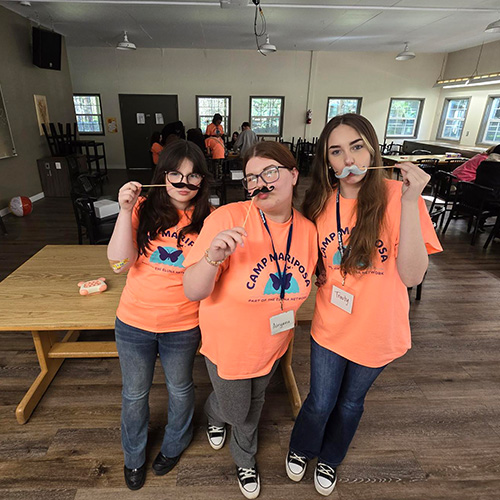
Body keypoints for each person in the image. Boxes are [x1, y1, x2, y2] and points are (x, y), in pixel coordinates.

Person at [285, 114, 442, 496]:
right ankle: (302, 447)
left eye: (356, 146)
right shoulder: (319, 201)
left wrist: (409, 201)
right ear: (327, 161)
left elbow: (412, 276)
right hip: (330, 325)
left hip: (378, 330)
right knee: (321, 400)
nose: (348, 159)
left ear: (372, 149)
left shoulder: (398, 197)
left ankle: (330, 458)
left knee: (351, 403)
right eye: (336, 152)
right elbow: (311, 260)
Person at [183, 142, 318, 499]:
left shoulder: (308, 231)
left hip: (273, 342)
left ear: (292, 175)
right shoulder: (227, 218)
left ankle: (224, 420)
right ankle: (242, 453)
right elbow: (193, 290)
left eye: (270, 172)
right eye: (252, 177)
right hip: (228, 346)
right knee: (237, 410)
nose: (260, 183)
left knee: (255, 403)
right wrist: (212, 257)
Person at [107, 140, 212, 491]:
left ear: (202, 180)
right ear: (162, 175)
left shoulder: (208, 218)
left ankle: (174, 445)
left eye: (193, 176)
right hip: (134, 323)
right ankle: (133, 456)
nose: (184, 183)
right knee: (134, 394)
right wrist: (124, 211)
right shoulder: (142, 207)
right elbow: (119, 265)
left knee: (180, 388)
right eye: (176, 174)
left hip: (182, 325)